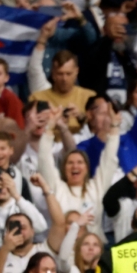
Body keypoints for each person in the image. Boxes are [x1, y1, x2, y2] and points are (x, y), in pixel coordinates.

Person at [37, 104, 120, 243]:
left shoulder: (96, 187)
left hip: (95, 250)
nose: (75, 166)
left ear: (87, 168)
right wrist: (50, 126)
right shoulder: (57, 188)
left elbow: (109, 159)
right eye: (70, 163)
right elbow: (44, 159)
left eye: (80, 162)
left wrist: (115, 126)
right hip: (63, 249)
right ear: (64, 168)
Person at [28, 21, 96, 134]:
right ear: (53, 73)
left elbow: (99, 127)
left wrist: (81, 117)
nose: (64, 79)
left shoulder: (90, 97)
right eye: (60, 74)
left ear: (76, 72)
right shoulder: (37, 98)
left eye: (68, 74)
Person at [0, 170, 47, 249]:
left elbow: (41, 226)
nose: (2, 189)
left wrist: (17, 196)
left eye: (5, 184)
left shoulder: (21, 206)